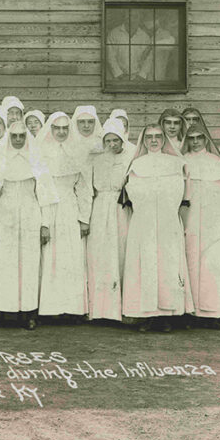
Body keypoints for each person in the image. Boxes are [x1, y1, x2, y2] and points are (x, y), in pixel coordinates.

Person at [120, 125, 191, 332]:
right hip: (144, 222)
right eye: (149, 137)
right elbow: (132, 193)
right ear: (143, 141)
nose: (153, 141)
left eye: (158, 137)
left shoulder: (176, 163)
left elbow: (180, 192)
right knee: (146, 264)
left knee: (167, 264)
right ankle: (147, 316)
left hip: (167, 221)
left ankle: (166, 316)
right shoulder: (137, 164)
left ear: (164, 139)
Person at [0, 121, 58, 330]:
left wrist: (45, 224)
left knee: (29, 264)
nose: (18, 140)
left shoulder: (37, 162)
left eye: (22, 136)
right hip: (6, 215)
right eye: (15, 136)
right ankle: (7, 311)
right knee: (6, 263)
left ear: (27, 138)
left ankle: (29, 312)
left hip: (31, 213)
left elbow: (45, 196)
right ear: (9, 138)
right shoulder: (0, 161)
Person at [37, 112, 92, 321]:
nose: (61, 132)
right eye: (57, 128)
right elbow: (41, 190)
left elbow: (84, 189)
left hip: (70, 209)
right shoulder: (42, 153)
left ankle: (73, 309)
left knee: (71, 256)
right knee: (50, 256)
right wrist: (44, 222)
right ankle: (51, 309)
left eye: (65, 128)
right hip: (49, 208)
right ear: (50, 130)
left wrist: (84, 218)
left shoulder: (77, 152)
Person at [180, 119, 220, 328]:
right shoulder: (182, 160)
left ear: (205, 139)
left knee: (212, 262)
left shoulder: (216, 162)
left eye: (199, 138)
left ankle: (212, 312)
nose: (195, 142)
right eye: (191, 139)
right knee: (190, 259)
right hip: (190, 216)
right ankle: (189, 312)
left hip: (213, 219)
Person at [87, 118, 132, 322]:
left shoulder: (130, 158)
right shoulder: (96, 159)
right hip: (99, 209)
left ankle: (120, 309)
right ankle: (99, 310)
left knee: (120, 252)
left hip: (120, 208)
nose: (112, 144)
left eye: (116, 140)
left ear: (123, 140)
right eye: (109, 141)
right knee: (99, 254)